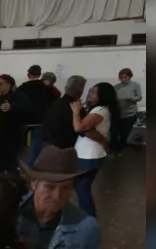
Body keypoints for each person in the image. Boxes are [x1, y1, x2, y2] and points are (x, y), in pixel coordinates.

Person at [72, 82, 119, 218]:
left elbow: (79, 128)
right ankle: (87, 216)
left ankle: (89, 218)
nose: (89, 94)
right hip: (89, 152)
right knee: (81, 186)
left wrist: (75, 113)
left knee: (82, 187)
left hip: (90, 154)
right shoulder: (98, 109)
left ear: (102, 96)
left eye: (93, 92)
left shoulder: (99, 111)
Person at [20, 65, 58, 166]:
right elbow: (53, 103)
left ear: (28, 75)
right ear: (40, 75)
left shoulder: (23, 87)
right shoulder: (47, 89)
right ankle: (31, 169)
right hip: (40, 121)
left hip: (24, 121)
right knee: (35, 148)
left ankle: (16, 168)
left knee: (18, 146)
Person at [41, 75, 87, 151]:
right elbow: (83, 130)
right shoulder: (76, 108)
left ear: (66, 88)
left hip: (48, 145)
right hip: (67, 148)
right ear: (80, 91)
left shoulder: (54, 103)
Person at [111, 68, 143, 155]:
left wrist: (131, 99)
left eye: (125, 77)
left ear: (130, 76)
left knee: (124, 134)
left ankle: (119, 149)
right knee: (114, 133)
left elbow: (139, 97)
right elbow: (112, 98)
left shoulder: (136, 85)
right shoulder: (116, 87)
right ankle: (112, 150)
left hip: (129, 114)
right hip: (117, 113)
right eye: (121, 78)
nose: (123, 80)